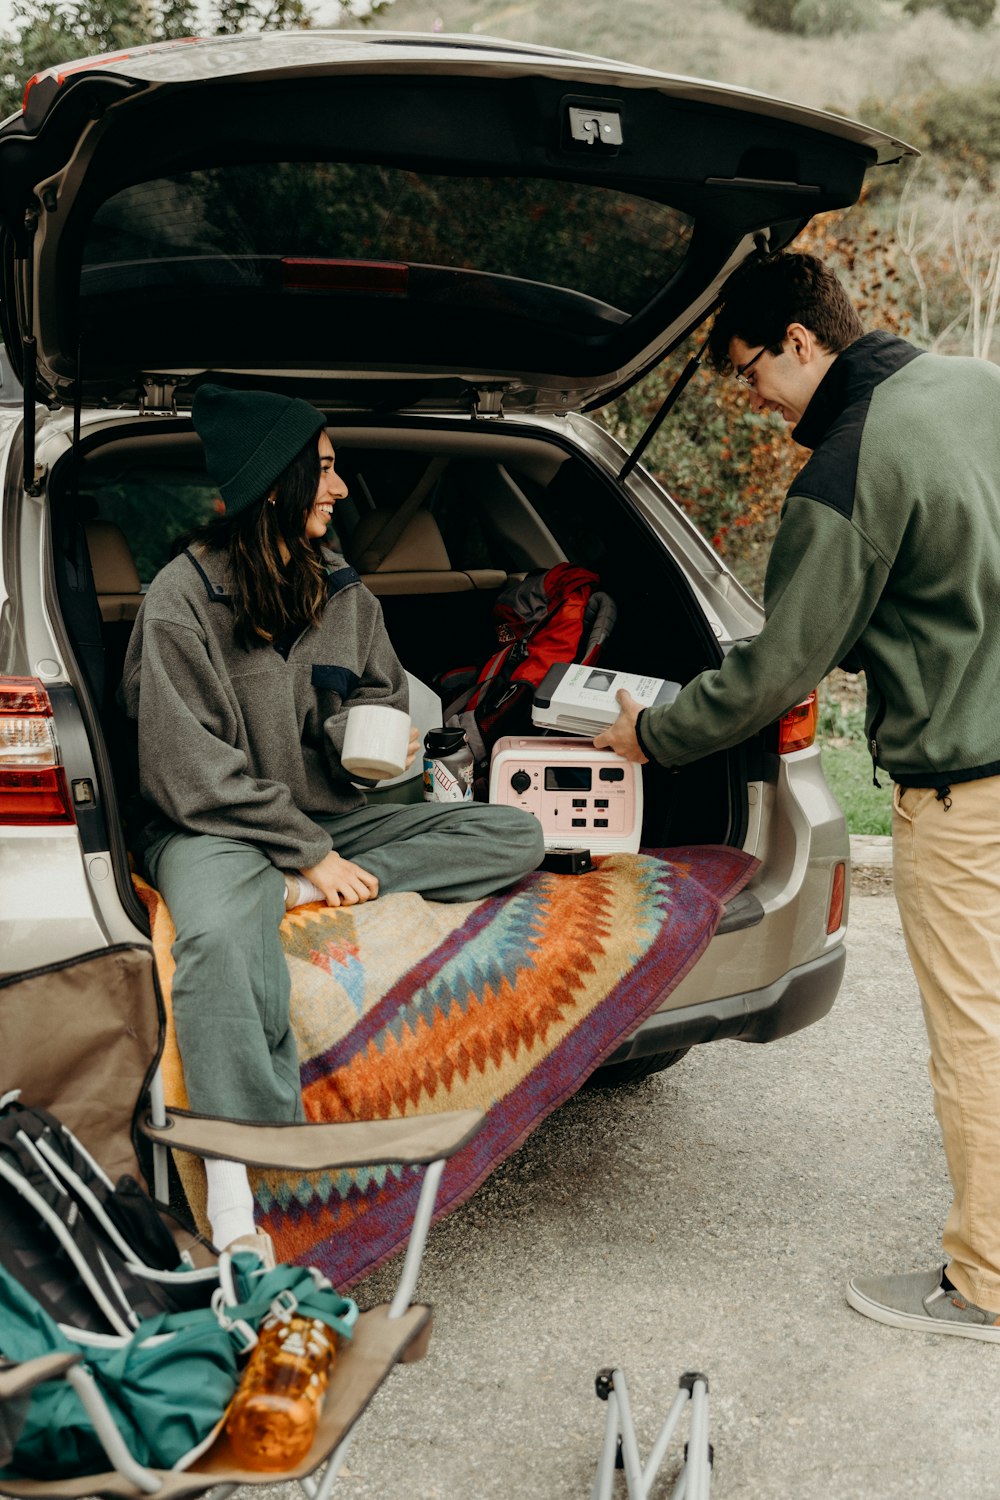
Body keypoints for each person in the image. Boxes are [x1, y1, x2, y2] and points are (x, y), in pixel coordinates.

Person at [595, 252, 1000, 1342]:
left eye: (749, 372)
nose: (754, 401)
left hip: (967, 796)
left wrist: (655, 732)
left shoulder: (846, 469)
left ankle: (989, 1285)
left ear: (802, 343)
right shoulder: (977, 386)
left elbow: (778, 670)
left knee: (975, 1033)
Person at [122, 383, 544, 1257]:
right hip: (213, 828)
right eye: (323, 469)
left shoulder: (345, 594)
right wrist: (307, 855)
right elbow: (186, 773)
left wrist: (371, 738)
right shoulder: (178, 603)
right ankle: (239, 1206)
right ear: (271, 482)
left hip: (332, 821)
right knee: (213, 944)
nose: (341, 488)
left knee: (516, 836)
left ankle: (283, 888)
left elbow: (388, 690)